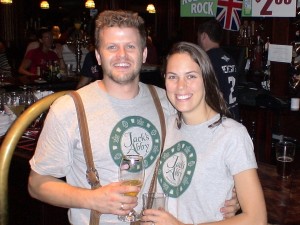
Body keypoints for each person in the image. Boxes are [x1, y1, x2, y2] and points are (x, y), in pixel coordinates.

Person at [28, 11, 240, 225]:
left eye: (130, 46)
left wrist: (232, 192)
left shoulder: (167, 101)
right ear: (99, 56)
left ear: (144, 54)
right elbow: (37, 184)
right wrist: (92, 198)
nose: (122, 55)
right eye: (112, 47)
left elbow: (205, 146)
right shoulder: (69, 109)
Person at [141, 42, 267, 225]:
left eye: (190, 76)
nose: (180, 86)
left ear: (206, 79)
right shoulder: (166, 124)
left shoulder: (231, 135)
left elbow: (257, 219)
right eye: (172, 77)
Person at [197, 19, 240, 121]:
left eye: (198, 36)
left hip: (217, 119)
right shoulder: (229, 58)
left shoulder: (204, 60)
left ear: (203, 36)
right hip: (233, 115)